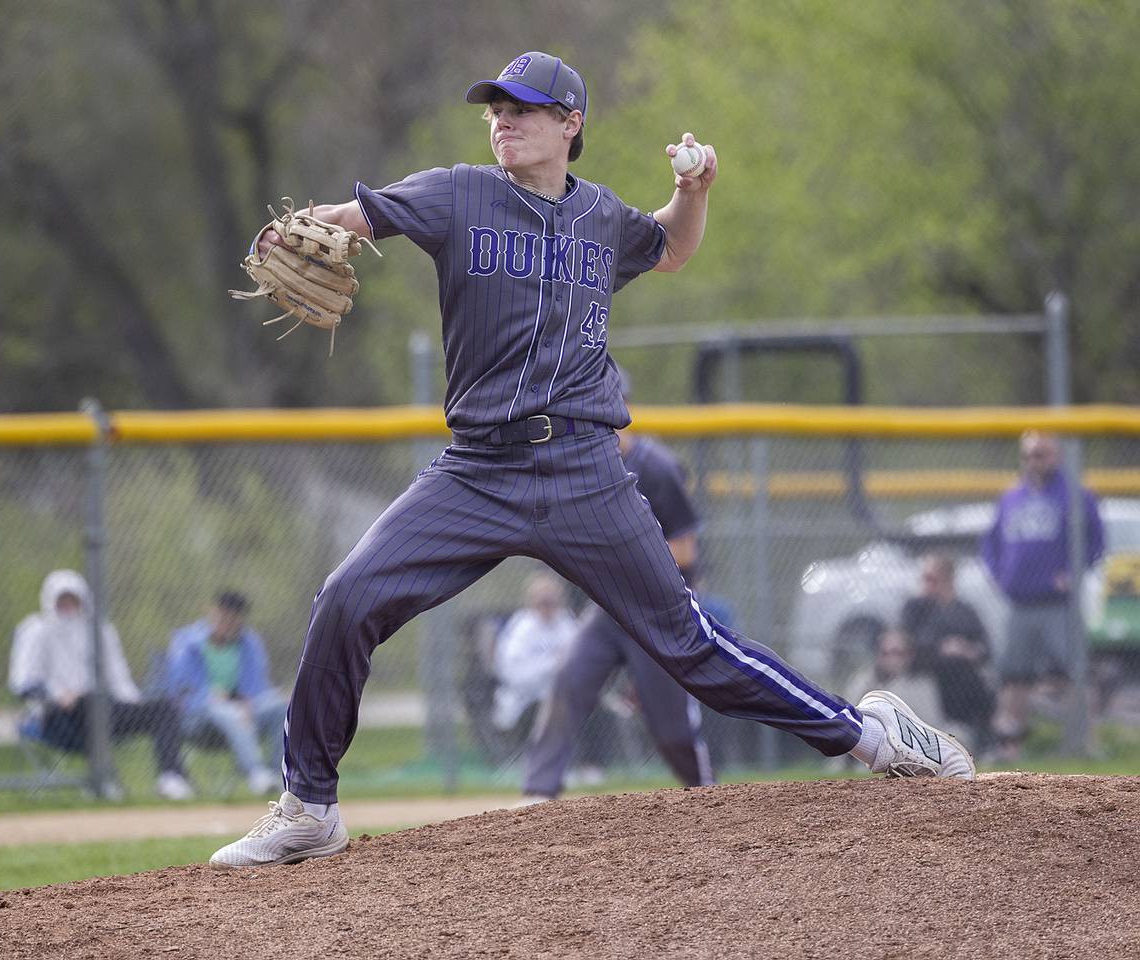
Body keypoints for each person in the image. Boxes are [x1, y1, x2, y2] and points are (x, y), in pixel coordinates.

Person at [209, 51, 974, 871]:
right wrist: (289, 228)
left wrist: (694, 193)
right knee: (347, 597)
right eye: (496, 106)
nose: (504, 117)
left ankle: (872, 733)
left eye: (526, 108)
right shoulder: (458, 192)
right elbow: (352, 218)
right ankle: (310, 808)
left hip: (584, 468)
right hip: (476, 470)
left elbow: (673, 248)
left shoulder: (603, 217)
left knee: (691, 647)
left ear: (571, 124)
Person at [521, 377, 715, 800]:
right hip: (609, 610)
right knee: (569, 682)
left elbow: (685, 553)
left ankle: (706, 796)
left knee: (671, 728)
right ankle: (538, 794)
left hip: (661, 609)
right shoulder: (584, 470)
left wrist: (627, 554)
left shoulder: (658, 467)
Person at [8, 569, 194, 800]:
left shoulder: (100, 630)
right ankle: (104, 780)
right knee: (89, 701)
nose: (68, 606)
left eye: (72, 599)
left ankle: (171, 778)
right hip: (56, 716)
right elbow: (23, 681)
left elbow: (119, 679)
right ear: (50, 600)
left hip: (104, 708)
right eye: (62, 600)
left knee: (163, 708)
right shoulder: (36, 630)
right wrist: (57, 694)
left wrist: (136, 705)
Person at [981, 431, 1104, 759]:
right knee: (1014, 677)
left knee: (1075, 672)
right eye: (1028, 455)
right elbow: (990, 543)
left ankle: (1083, 744)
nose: (1033, 461)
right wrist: (998, 575)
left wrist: (1074, 572)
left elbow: (1095, 542)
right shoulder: (1012, 497)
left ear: (1057, 456)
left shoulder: (1075, 496)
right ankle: (1010, 747)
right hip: (1020, 604)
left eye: (1041, 454)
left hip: (1057, 604)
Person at [163, 591, 287, 796]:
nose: (227, 622)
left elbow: (258, 686)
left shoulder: (250, 643)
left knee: (280, 707)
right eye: (222, 616)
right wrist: (214, 697)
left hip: (244, 712)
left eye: (233, 618)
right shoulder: (186, 642)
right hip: (198, 718)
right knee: (226, 710)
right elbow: (180, 688)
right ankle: (256, 773)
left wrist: (246, 701)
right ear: (211, 612)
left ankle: (278, 776)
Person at [899, 554, 995, 744]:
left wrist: (968, 649)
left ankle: (982, 739)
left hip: (962, 679)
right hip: (926, 671)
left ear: (947, 580)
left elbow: (985, 648)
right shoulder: (916, 608)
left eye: (931, 579)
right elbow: (906, 642)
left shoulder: (964, 611)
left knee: (978, 680)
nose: (925, 584)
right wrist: (941, 647)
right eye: (924, 578)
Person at [490, 571, 580, 732]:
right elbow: (512, 672)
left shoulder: (567, 623)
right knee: (543, 710)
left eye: (552, 601)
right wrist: (553, 664)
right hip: (528, 699)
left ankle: (588, 758)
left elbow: (580, 662)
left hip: (565, 694)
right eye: (543, 601)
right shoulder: (522, 627)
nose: (548, 606)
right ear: (532, 601)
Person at [846, 628, 943, 725]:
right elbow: (849, 717)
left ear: (909, 655)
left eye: (896, 653)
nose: (890, 659)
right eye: (884, 653)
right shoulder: (862, 681)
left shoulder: (922, 686)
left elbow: (932, 725)